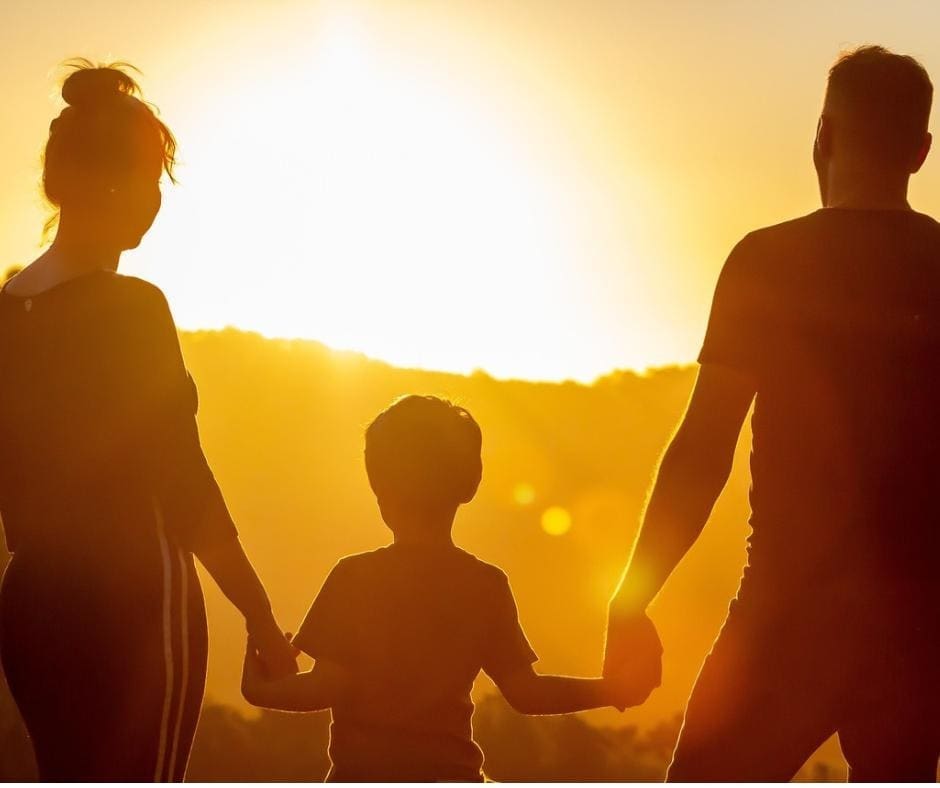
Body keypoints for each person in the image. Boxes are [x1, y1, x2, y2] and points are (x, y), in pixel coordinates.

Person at [604, 45, 940, 782]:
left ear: (823, 134)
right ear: (920, 151)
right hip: (920, 630)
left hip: (786, 619)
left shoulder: (767, 260)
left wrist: (632, 600)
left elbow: (703, 448)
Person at [0, 61, 297, 781]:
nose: (157, 201)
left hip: (31, 601)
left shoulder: (8, 312)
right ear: (115, 184)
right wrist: (259, 615)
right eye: (152, 181)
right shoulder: (133, 308)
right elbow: (183, 481)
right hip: (133, 600)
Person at [242, 395, 644, 781]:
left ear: (378, 488)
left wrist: (262, 691)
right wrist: (613, 689)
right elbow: (527, 693)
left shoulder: (353, 578)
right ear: (470, 484)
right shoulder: (485, 585)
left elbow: (323, 686)